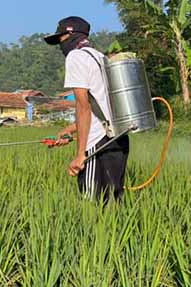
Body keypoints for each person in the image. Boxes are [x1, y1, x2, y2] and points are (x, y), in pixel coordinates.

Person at [44, 16, 129, 201]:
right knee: (113, 204)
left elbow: (84, 107)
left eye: (61, 39)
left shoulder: (76, 57)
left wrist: (80, 154)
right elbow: (102, 107)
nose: (60, 44)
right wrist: (69, 130)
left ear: (70, 35)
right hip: (118, 138)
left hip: (97, 144)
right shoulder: (100, 57)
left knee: (91, 207)